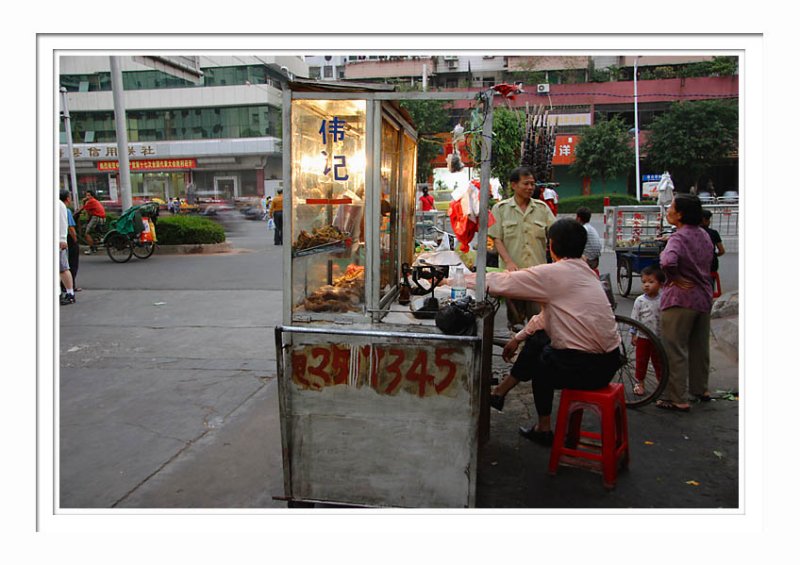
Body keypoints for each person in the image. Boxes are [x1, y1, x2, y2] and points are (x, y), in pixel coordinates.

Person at [463, 218, 622, 446]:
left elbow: (503, 282)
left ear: (552, 245)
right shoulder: (586, 271)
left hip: (587, 367)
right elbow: (546, 318)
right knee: (537, 339)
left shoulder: (556, 274)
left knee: (542, 364)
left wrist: (454, 279)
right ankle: (499, 392)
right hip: (609, 361)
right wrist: (518, 338)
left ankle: (543, 428)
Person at [656, 194, 714, 411]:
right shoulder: (703, 235)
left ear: (679, 214)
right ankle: (701, 389)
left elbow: (667, 261)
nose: (668, 210)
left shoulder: (678, 238)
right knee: (699, 347)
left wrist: (676, 278)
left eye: (671, 207)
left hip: (681, 299)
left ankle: (677, 397)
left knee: (675, 349)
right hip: (703, 297)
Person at [488, 166, 555, 329]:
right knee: (516, 323)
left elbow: (554, 235)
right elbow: (497, 239)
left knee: (539, 322)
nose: (530, 188)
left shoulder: (542, 208)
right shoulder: (501, 209)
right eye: (526, 184)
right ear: (513, 185)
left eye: (532, 184)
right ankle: (517, 352)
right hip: (513, 277)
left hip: (537, 276)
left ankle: (534, 353)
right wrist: (509, 262)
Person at [630, 265, 665, 396]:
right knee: (641, 361)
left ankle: (661, 382)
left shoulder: (663, 300)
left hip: (658, 337)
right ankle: (640, 383)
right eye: (644, 282)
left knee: (659, 361)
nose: (646, 285)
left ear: (661, 284)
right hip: (643, 337)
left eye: (651, 282)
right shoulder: (639, 301)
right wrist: (633, 334)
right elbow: (634, 318)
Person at [58, 189, 76, 305]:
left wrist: (62, 239)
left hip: (58, 242)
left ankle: (70, 293)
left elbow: (63, 223)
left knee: (63, 268)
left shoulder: (59, 205)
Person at [61, 191, 81, 293]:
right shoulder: (66, 210)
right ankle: (70, 286)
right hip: (67, 239)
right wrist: (75, 240)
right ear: (68, 199)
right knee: (71, 264)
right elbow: (71, 228)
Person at [75, 189, 106, 254]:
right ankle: (97, 242)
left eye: (89, 195)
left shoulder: (91, 201)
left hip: (96, 217)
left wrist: (74, 214)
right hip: (100, 218)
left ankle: (92, 249)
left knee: (87, 233)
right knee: (93, 233)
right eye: (86, 195)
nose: (87, 197)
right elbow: (88, 212)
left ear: (92, 196)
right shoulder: (94, 201)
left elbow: (82, 209)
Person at [701, 209, 725, 281]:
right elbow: (722, 251)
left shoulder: (691, 233)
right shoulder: (714, 233)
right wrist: (714, 255)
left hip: (696, 266)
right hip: (712, 265)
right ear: (704, 220)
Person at [575, 206, 601, 272]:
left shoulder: (583, 229)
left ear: (578, 218)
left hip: (588, 261)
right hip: (595, 260)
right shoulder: (591, 228)